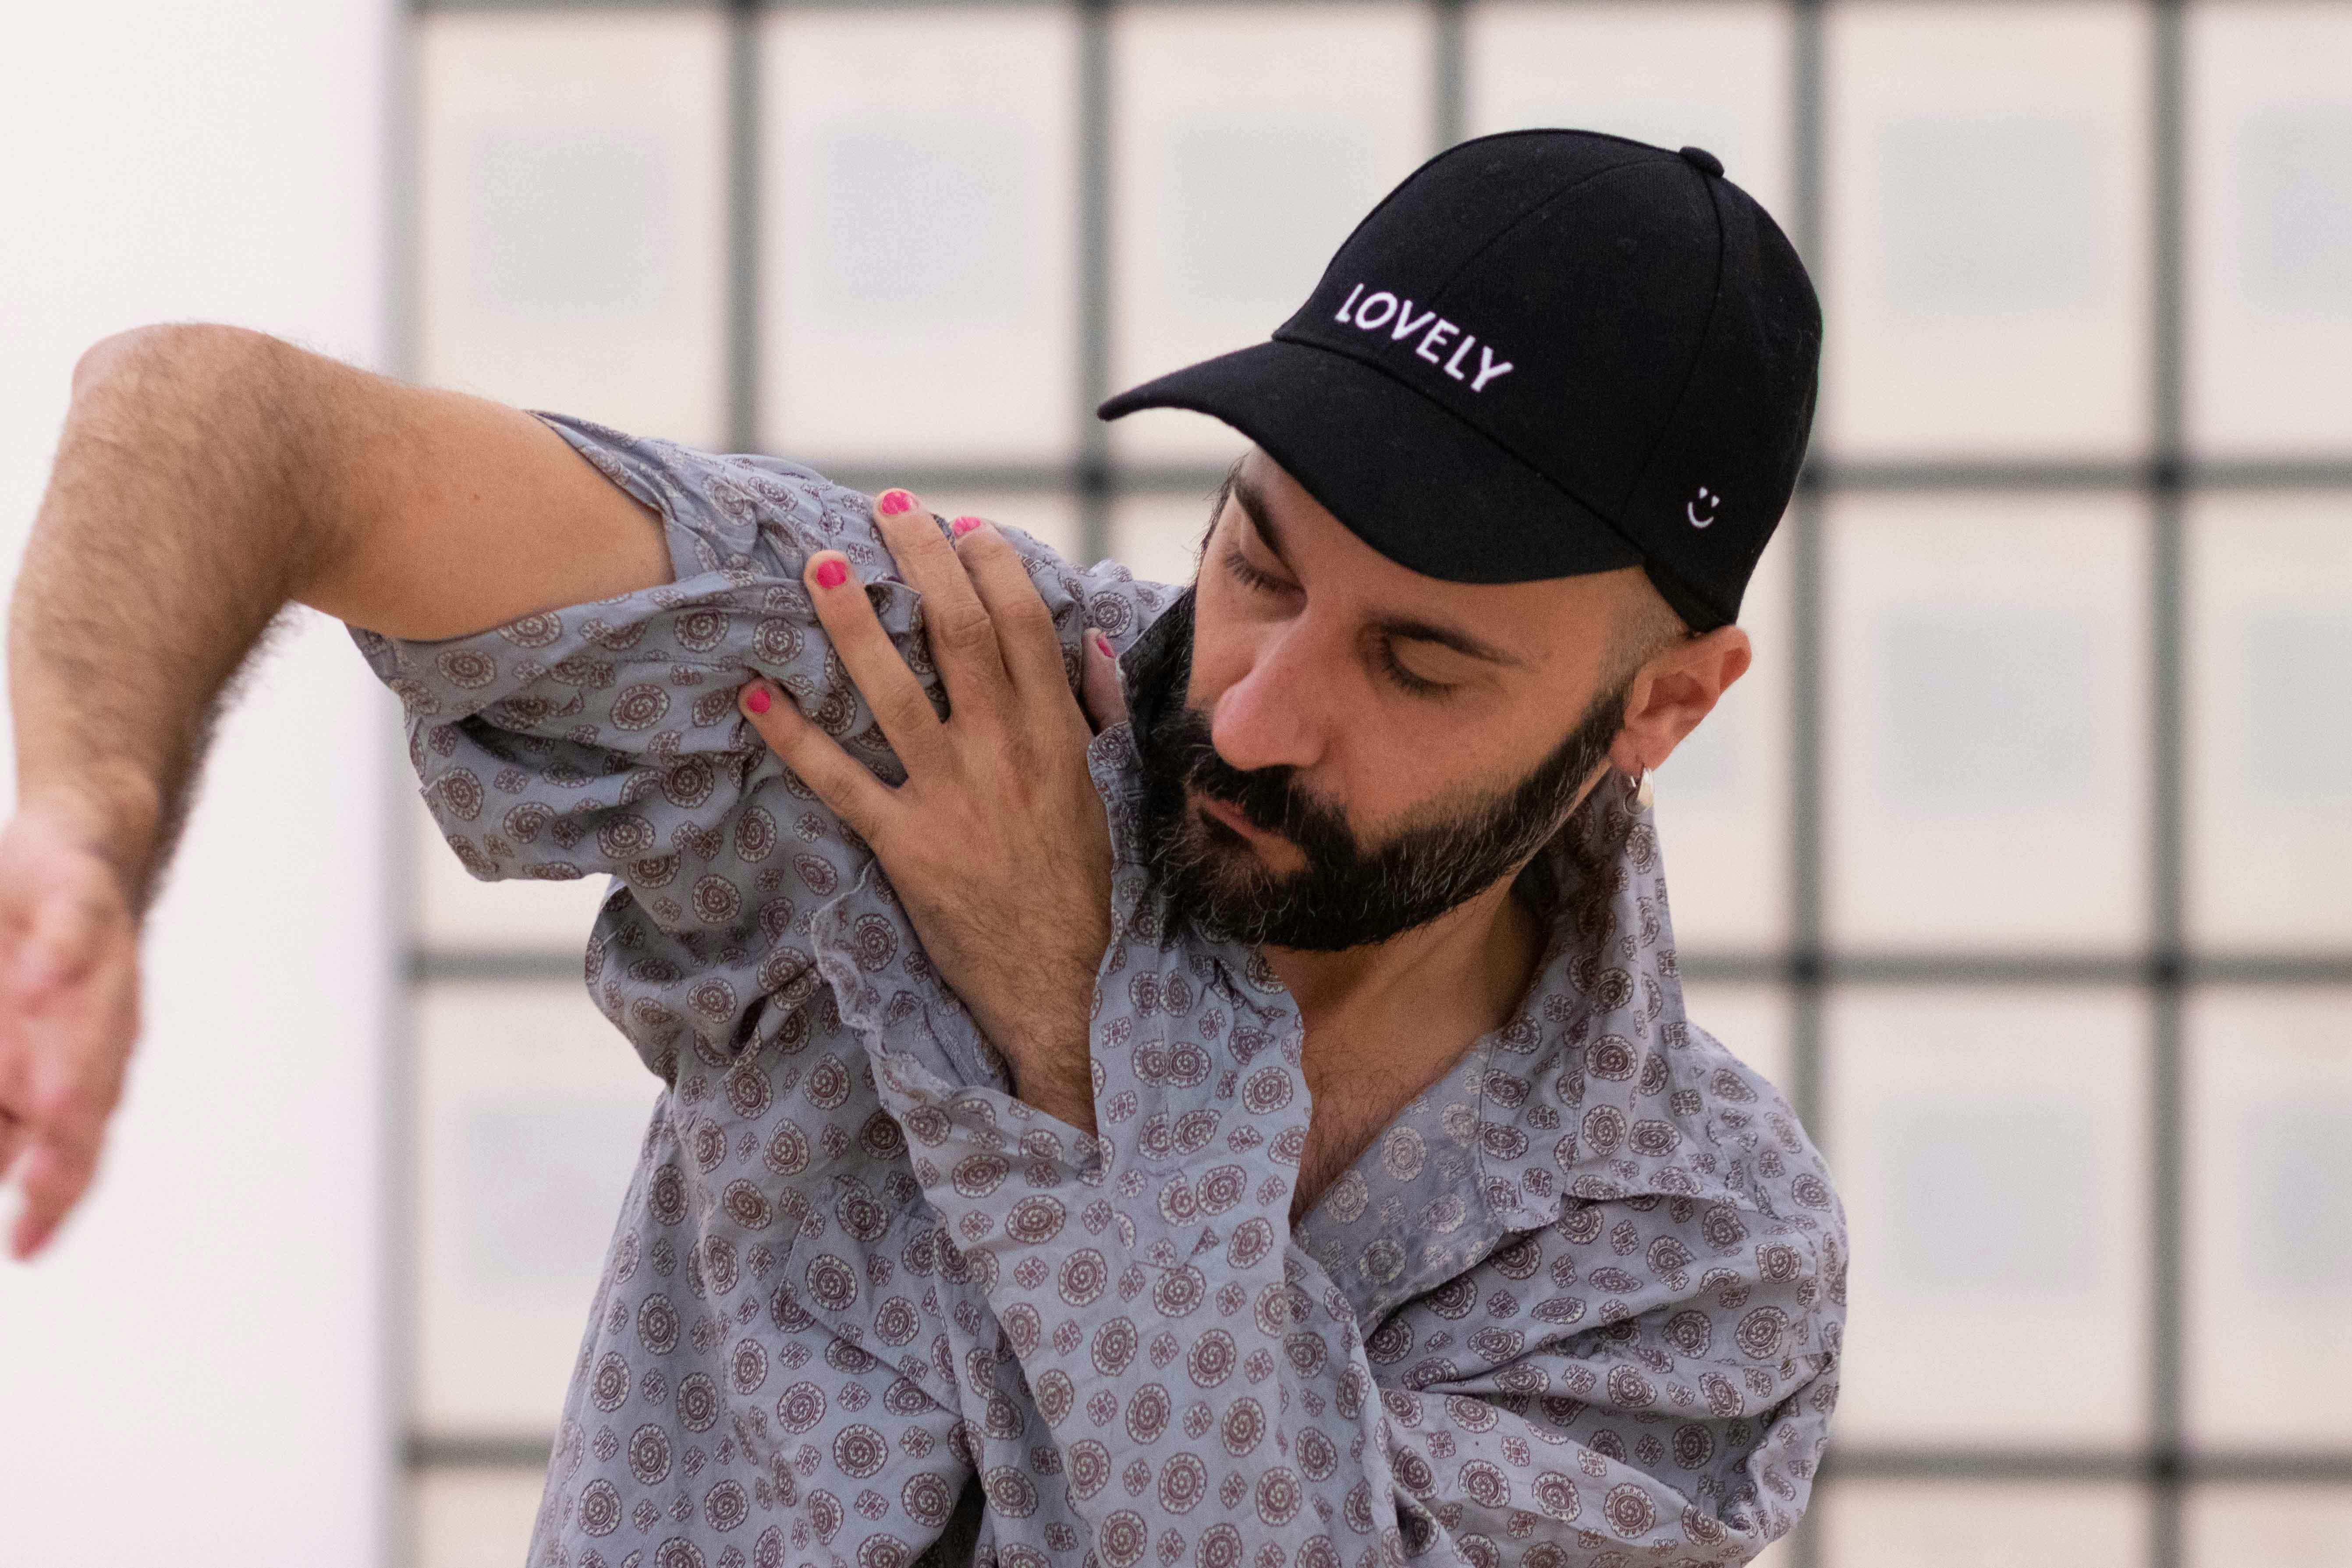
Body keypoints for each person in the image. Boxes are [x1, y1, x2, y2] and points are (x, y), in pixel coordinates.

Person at [2, 130, 1843, 1565]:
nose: (1261, 707)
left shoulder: (1702, 1254)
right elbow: (220, 417)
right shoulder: (938, 693)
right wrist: (90, 820)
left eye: (1419, 659)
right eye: (1261, 554)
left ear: (1658, 708)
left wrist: (1073, 1026)